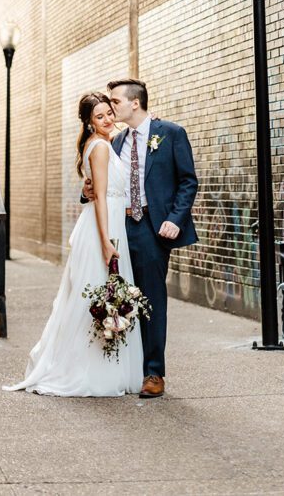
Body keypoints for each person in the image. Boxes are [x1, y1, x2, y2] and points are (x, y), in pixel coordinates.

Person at [3, 92, 143, 397]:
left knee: (95, 295)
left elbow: (97, 192)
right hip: (103, 228)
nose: (107, 120)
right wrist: (107, 241)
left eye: (109, 113)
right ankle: (90, 370)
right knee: (94, 295)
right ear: (89, 122)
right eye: (99, 117)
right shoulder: (101, 147)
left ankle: (102, 364)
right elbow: (102, 197)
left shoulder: (100, 144)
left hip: (106, 222)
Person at [83, 78, 198, 399]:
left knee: (150, 300)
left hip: (152, 227)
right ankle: (123, 367)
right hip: (120, 228)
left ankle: (153, 372)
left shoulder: (171, 134)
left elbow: (188, 181)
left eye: (115, 101)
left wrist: (175, 219)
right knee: (116, 297)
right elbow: (103, 185)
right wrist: (86, 189)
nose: (111, 106)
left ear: (135, 103)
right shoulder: (114, 142)